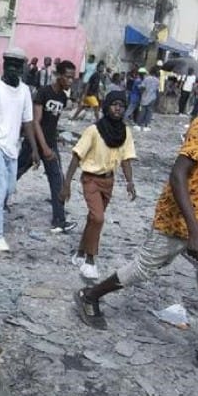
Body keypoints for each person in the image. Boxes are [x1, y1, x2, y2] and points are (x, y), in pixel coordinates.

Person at [75, 65, 198, 379]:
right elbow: (178, 175)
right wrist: (194, 232)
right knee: (144, 268)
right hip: (179, 216)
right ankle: (89, 295)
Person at [61, 90, 137, 280]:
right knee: (98, 218)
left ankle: (79, 252)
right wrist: (66, 184)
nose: (118, 108)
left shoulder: (124, 132)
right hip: (91, 179)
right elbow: (76, 156)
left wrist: (130, 182)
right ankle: (90, 260)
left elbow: (126, 159)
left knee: (93, 219)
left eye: (121, 105)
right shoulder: (94, 130)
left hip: (108, 181)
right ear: (106, 106)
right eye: (114, 104)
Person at [0, 47, 38, 252]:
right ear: (3, 65)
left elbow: (28, 121)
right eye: (9, 64)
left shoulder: (25, 91)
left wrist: (34, 149)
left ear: (22, 68)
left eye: (16, 65)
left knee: (9, 189)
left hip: (13, 148)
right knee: (1, 190)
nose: (12, 68)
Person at [34, 59, 77, 233]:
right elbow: (36, 122)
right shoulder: (43, 93)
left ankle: (59, 221)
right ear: (58, 76)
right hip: (36, 144)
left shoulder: (62, 97)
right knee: (13, 175)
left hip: (51, 144)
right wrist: (43, 148)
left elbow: (53, 122)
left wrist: (53, 141)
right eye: (68, 77)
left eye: (73, 78)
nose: (71, 81)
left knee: (57, 180)